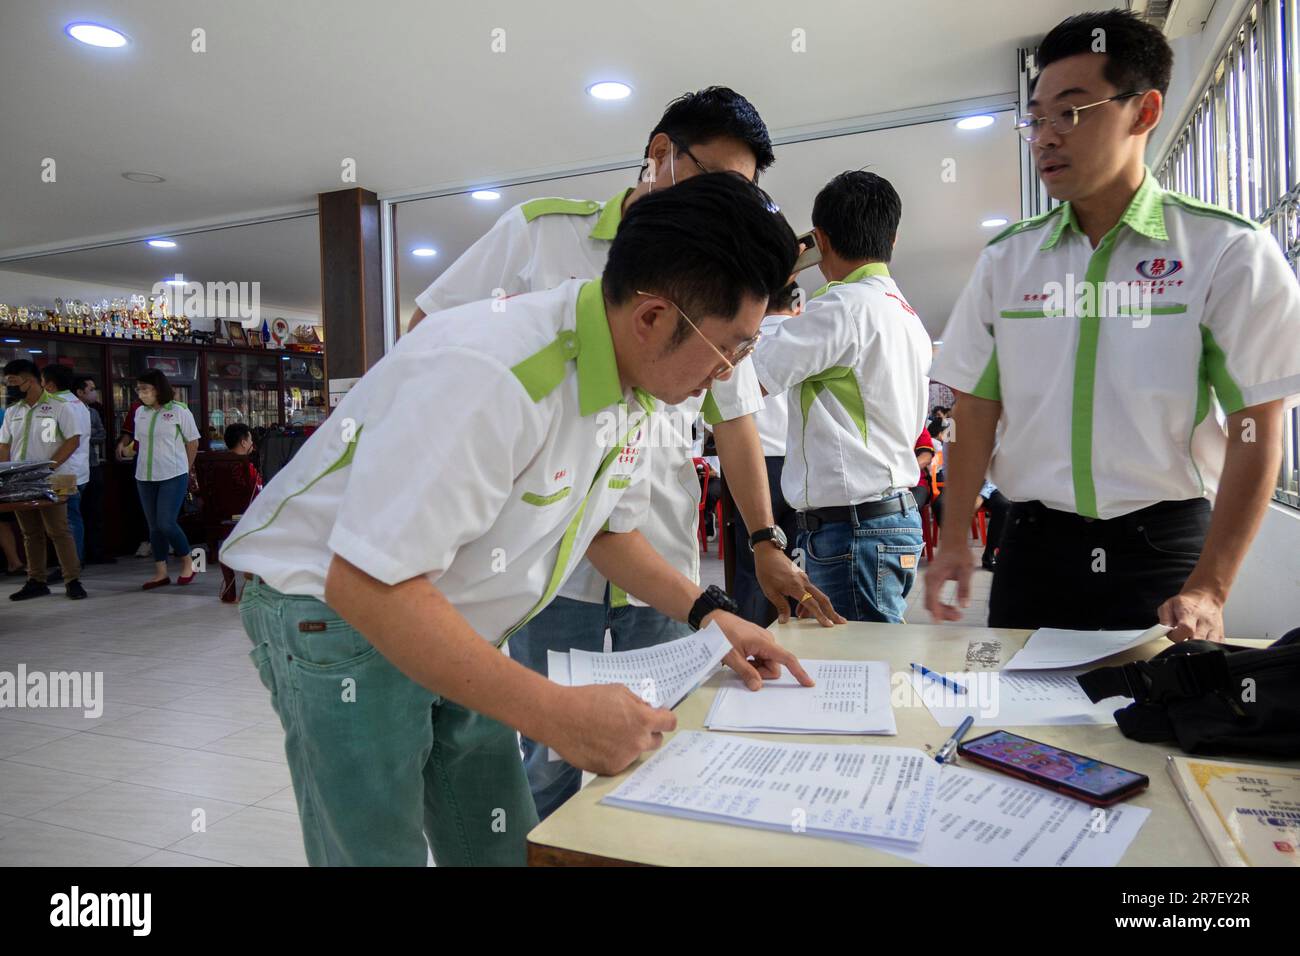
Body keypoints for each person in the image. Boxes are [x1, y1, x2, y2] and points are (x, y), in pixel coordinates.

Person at [219, 173, 813, 866]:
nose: (727, 375)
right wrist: (557, 715)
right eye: (730, 351)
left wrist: (712, 612)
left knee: (497, 839)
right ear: (652, 318)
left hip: (447, 608)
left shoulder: (634, 384)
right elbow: (368, 582)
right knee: (376, 847)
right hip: (332, 609)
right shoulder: (492, 371)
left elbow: (608, 533)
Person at [408, 87, 841, 819]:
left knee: (656, 746)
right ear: (661, 157)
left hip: (651, 549)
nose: (724, 370)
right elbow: (430, 337)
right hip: (538, 565)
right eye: (718, 186)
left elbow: (723, 431)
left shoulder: (701, 321)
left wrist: (746, 561)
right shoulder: (539, 252)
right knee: (541, 755)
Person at [926, 9, 1300, 640]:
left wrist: (1210, 587)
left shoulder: (1225, 252)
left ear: (1144, 112)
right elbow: (976, 405)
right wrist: (956, 536)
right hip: (1033, 549)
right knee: (1011, 731)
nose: (1045, 136)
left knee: (1156, 728)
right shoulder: (1007, 262)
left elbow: (1256, 426)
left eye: (1069, 113)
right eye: (1036, 119)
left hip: (1163, 554)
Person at [751, 171, 932, 622]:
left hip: (854, 530)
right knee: (872, 661)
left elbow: (747, 380)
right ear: (893, 236)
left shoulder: (839, 309)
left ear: (820, 239)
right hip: (889, 517)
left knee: (857, 670)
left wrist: (764, 284)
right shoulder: (905, 313)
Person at [731, 281, 803, 624]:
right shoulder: (807, 336)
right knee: (800, 564)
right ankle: (796, 641)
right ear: (797, 303)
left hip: (750, 463)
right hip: (801, 467)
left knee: (751, 567)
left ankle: (750, 645)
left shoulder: (743, 341)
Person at [0, 359, 86, 600]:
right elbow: (5, 445)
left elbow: (73, 440)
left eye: (14, 382)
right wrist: (5, 473)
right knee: (30, 533)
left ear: (30, 381)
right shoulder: (13, 412)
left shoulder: (60, 407)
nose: (11, 387)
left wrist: (50, 467)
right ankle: (36, 580)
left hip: (52, 478)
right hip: (19, 482)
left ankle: (73, 579)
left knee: (59, 530)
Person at [118, 369, 200, 590]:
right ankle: (161, 572)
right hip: (144, 475)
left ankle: (187, 561)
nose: (141, 393)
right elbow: (139, 442)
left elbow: (192, 442)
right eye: (139, 389)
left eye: (145, 389)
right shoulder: (140, 413)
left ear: (158, 389)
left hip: (173, 474)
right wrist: (127, 449)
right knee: (154, 526)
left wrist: (186, 467)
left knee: (166, 522)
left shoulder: (179, 411)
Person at [41, 364, 91, 563]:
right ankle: (74, 561)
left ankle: (71, 563)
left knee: (66, 521)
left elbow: (48, 439)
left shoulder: (56, 405)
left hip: (62, 471)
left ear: (50, 385)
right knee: (72, 518)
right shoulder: (78, 404)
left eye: (42, 382)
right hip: (79, 470)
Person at [219, 422, 261, 603]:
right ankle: (254, 585)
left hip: (220, 518)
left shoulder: (217, 464)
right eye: (250, 438)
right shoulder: (245, 465)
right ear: (244, 442)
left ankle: (229, 590)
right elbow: (257, 491)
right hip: (246, 517)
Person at [73, 375, 111, 564]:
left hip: (93, 465)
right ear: (79, 392)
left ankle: (96, 552)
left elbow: (101, 433)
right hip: (74, 469)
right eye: (91, 389)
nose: (95, 392)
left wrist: (85, 436)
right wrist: (86, 435)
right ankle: (77, 557)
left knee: (95, 511)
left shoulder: (93, 412)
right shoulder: (69, 411)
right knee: (75, 513)